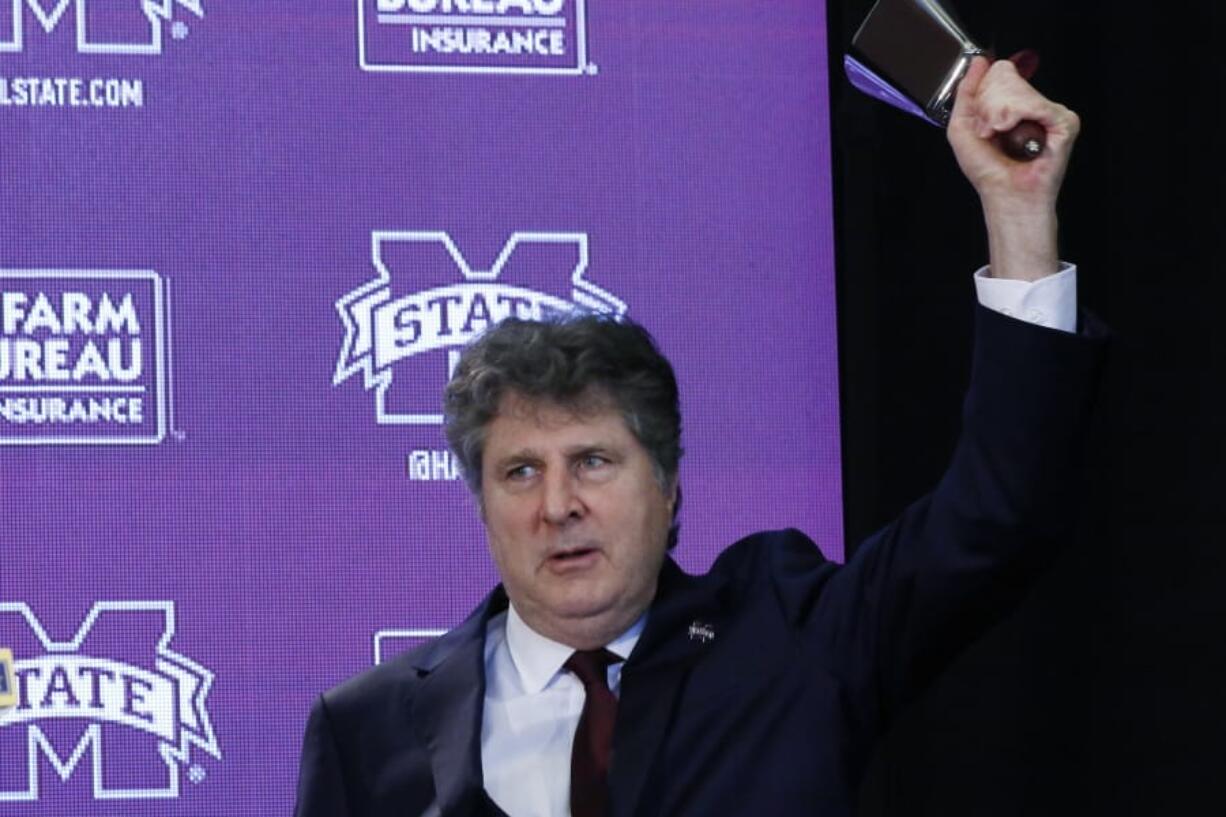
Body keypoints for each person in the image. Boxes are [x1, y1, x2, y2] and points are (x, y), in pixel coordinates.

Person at [294, 58, 1105, 817]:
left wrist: (1018, 211)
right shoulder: (367, 727)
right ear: (481, 504)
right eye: (518, 472)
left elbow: (997, 517)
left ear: (669, 483)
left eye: (594, 461)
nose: (558, 505)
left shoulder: (792, 640)